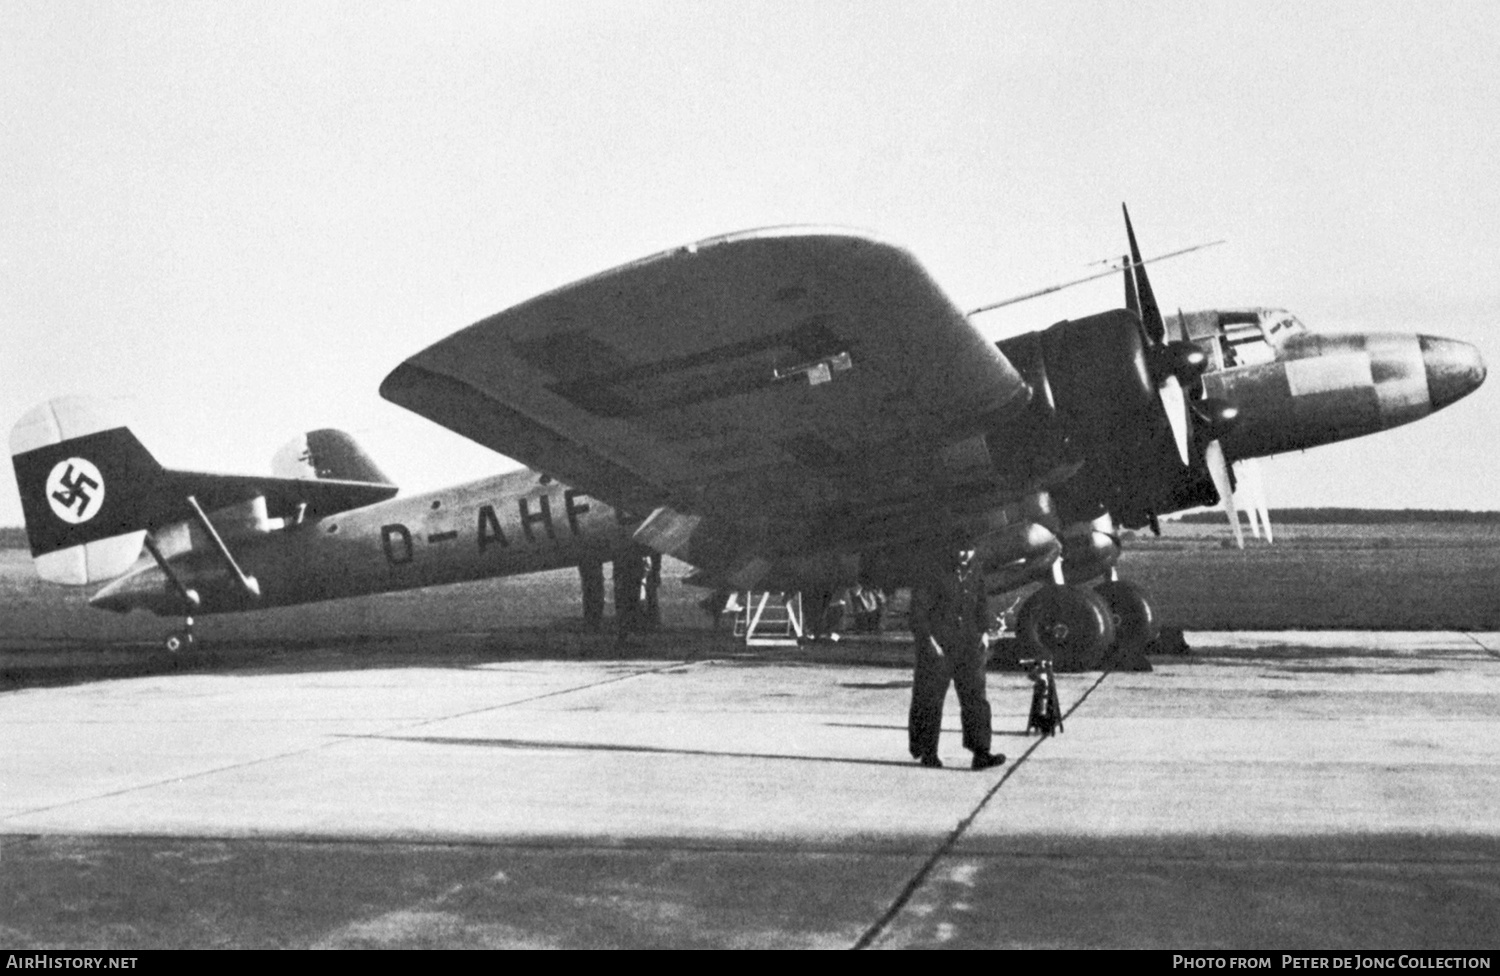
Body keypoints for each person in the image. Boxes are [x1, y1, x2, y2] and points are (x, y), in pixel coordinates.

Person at [907, 546, 1006, 771]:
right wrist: (928, 641)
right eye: (960, 550)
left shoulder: (975, 571)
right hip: (939, 646)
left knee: (976, 700)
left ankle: (981, 753)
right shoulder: (932, 572)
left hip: (969, 645)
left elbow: (981, 602)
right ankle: (927, 752)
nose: (964, 555)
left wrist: (984, 631)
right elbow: (918, 611)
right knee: (929, 700)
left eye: (969, 550)